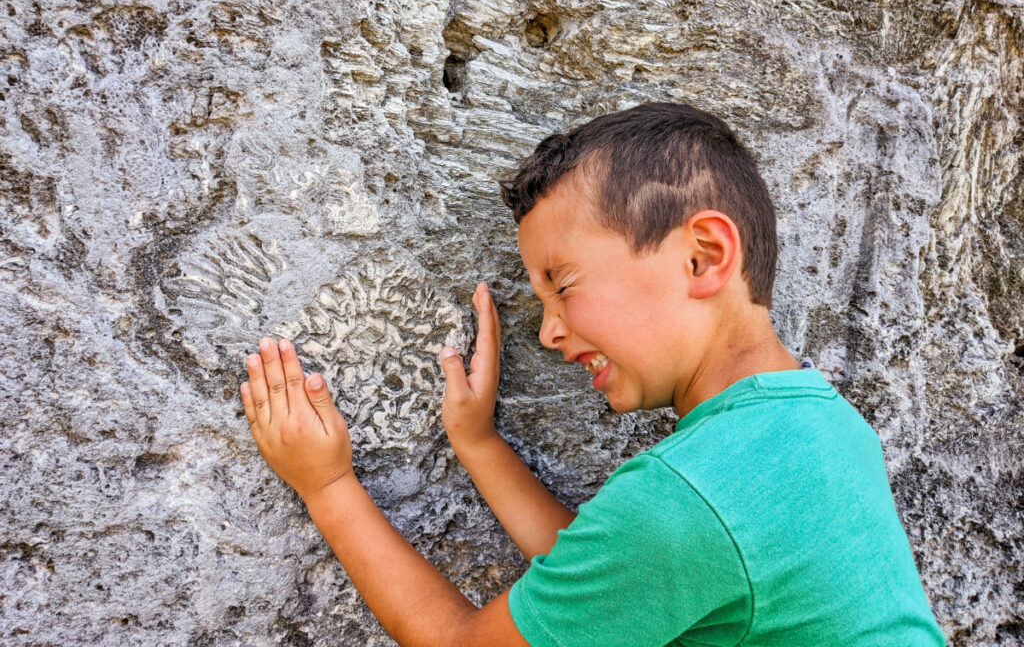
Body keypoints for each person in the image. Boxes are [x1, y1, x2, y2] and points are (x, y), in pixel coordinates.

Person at [239, 102, 946, 646]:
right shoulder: (817, 423)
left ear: (702, 257)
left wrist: (326, 485)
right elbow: (619, 580)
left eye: (563, 285)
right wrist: (479, 444)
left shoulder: (686, 501)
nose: (548, 332)